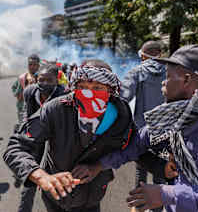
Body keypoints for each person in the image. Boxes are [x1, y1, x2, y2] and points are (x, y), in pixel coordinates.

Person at [72, 45, 198, 212]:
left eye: (168, 76)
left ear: (186, 80)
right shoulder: (171, 115)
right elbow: (135, 144)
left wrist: (166, 194)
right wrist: (97, 166)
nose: (163, 82)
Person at [3, 59, 137, 212]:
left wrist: (99, 166)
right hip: (56, 199)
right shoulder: (56, 109)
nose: (88, 93)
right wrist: (42, 177)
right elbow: (15, 148)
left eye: (97, 87)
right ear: (75, 87)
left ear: (110, 90)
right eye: (82, 87)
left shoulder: (121, 114)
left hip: (92, 197)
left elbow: (134, 146)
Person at [120, 40, 166, 212]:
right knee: (161, 171)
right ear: (159, 54)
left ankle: (139, 206)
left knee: (141, 168)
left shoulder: (137, 71)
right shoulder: (170, 72)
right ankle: (157, 207)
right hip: (165, 130)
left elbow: (123, 98)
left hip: (142, 130)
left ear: (144, 55)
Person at [17, 63, 68, 212]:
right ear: (36, 79)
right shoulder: (30, 92)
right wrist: (24, 128)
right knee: (30, 176)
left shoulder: (64, 95)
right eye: (41, 79)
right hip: (37, 136)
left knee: (57, 176)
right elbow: (26, 112)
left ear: (56, 81)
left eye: (49, 80)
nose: (44, 83)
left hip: (57, 138)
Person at [11, 54, 40, 125]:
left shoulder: (42, 78)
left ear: (38, 66)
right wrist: (18, 94)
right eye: (30, 64)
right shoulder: (22, 77)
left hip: (37, 110)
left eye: (34, 65)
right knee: (22, 127)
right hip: (22, 108)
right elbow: (14, 87)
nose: (32, 67)